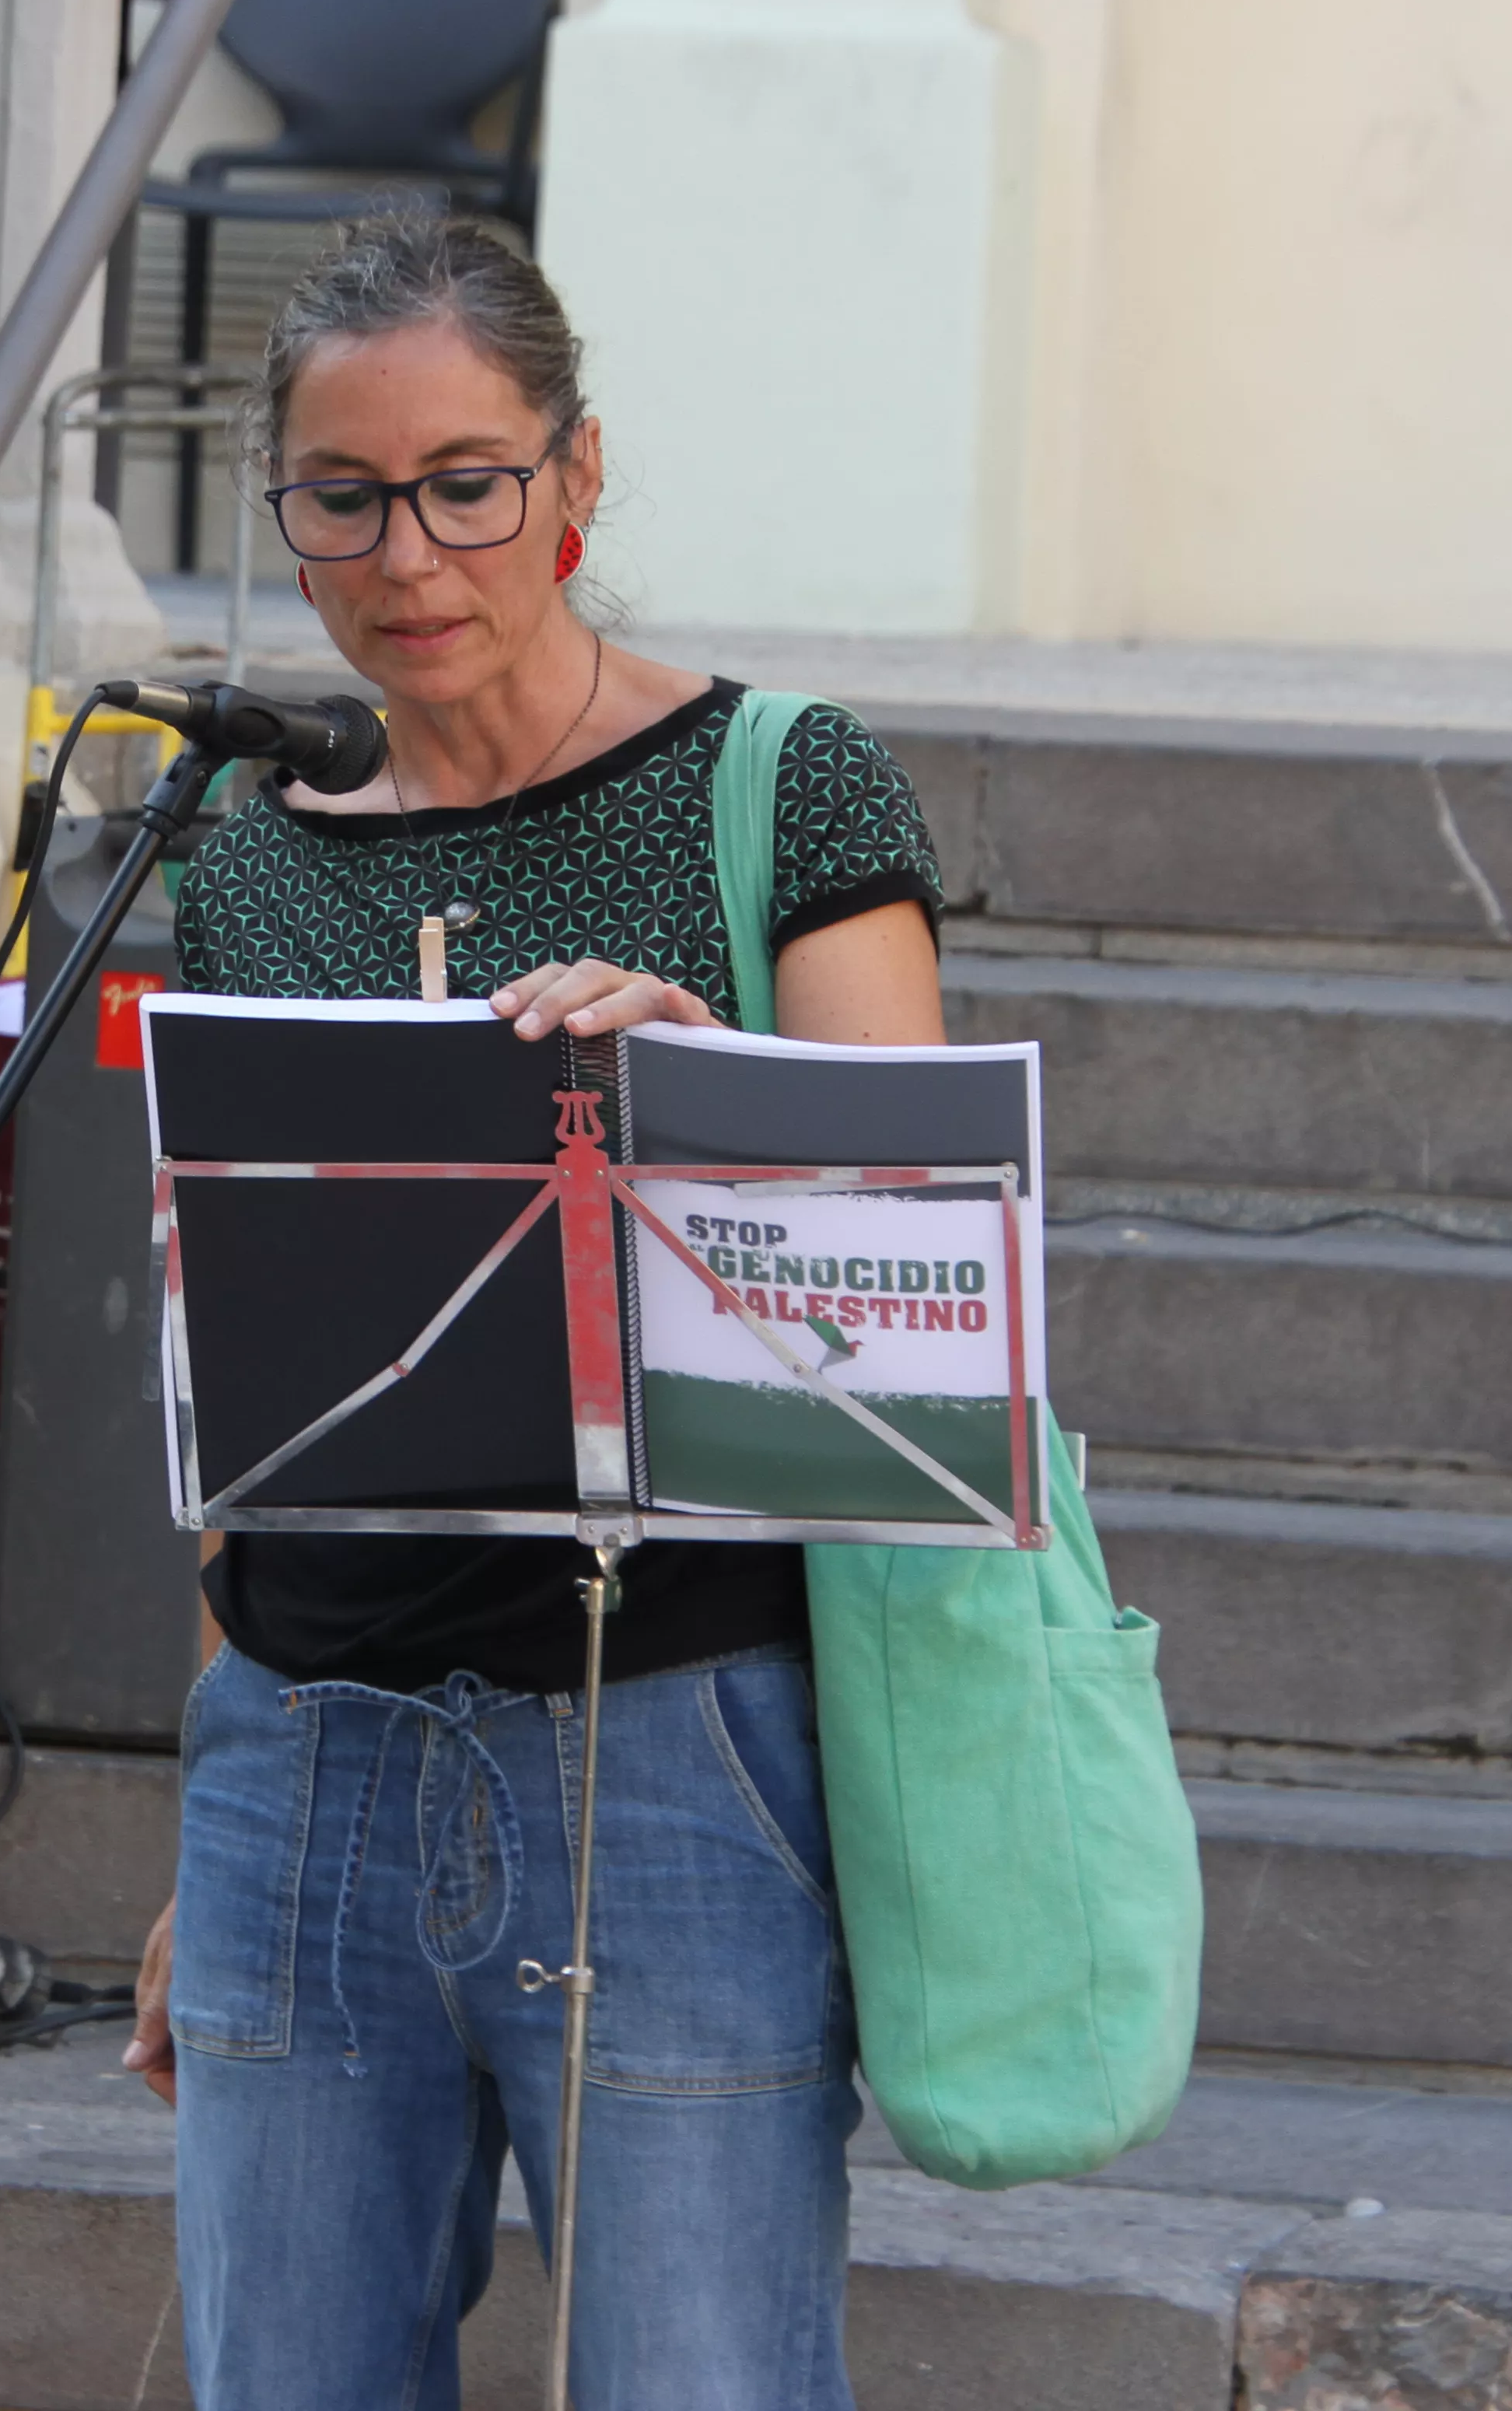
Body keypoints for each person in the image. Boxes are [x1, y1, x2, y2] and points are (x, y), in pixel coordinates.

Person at [121, 212, 947, 2411]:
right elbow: (249, 1392)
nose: (411, 549)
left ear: (578, 479)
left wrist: (694, 1085)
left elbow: (913, 1305)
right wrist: (206, 1828)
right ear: (281, 514)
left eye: (469, 480)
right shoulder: (249, 856)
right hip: (301, 1757)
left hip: (672, 1752)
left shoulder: (782, 783)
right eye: (346, 495)